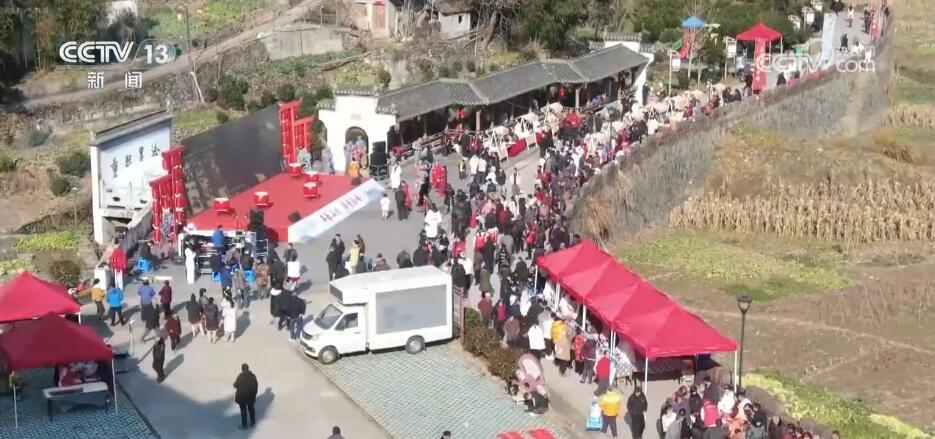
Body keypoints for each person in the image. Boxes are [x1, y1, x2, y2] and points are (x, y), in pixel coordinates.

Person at [234, 363, 258, 430]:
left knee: (243, 411)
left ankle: (244, 425)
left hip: (242, 396)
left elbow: (235, 385)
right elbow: (256, 386)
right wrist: (254, 394)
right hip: (250, 396)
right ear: (248, 368)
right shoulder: (252, 376)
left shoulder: (240, 376)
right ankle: (252, 422)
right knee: (251, 409)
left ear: (242, 369)